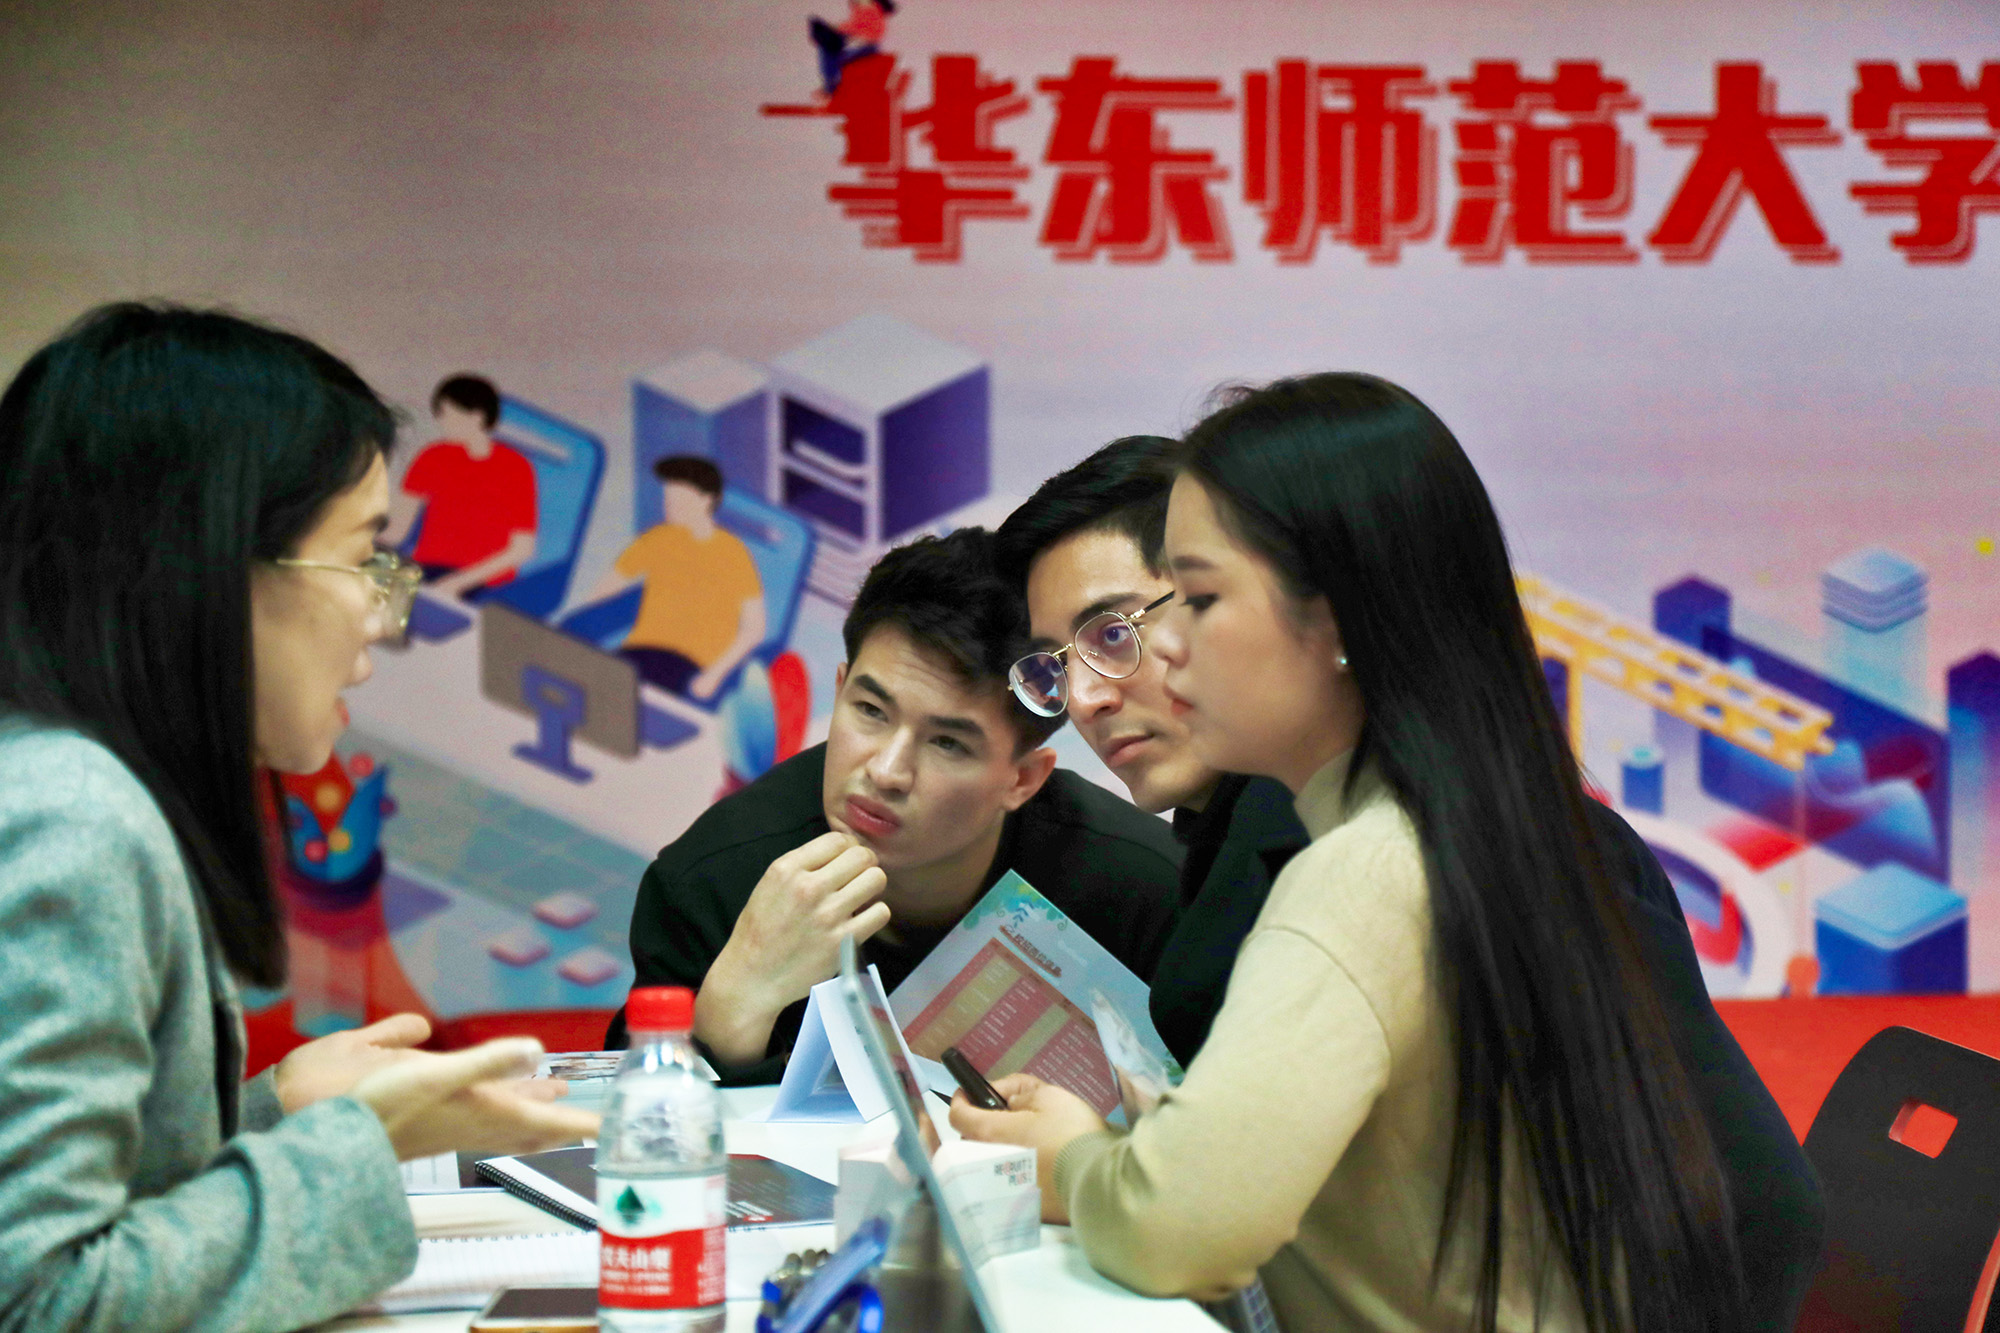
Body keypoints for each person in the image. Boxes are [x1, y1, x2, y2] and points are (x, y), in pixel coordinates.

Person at [955, 374, 1825, 1332]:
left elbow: (1178, 1226)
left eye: (1195, 600)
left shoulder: (1360, 872)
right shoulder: (1456, 821)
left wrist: (1073, 1163)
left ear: (1334, 617)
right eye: (1060, 661)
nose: (1158, 655)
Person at [0, 304, 600, 1332]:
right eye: (364, 558)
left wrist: (277, 1107)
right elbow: (41, 1299)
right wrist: (352, 1145)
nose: (381, 614)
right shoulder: (73, 817)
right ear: (211, 567)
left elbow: (112, 1190)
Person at [610, 527, 1183, 1083]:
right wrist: (732, 1005)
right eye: (870, 712)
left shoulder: (1146, 893)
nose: (885, 772)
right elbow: (625, 1122)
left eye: (947, 743)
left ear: (1023, 779)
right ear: (840, 690)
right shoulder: (709, 880)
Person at [995, 436, 1308, 1066]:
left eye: (1113, 635)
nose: (1084, 699)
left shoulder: (1315, 832)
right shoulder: (1219, 841)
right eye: (1056, 664)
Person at [584, 455, 765, 702]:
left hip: (691, 662)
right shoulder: (658, 538)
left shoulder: (732, 553)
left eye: (680, 500)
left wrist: (714, 675)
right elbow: (605, 589)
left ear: (706, 500)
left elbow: (755, 628)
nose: (670, 506)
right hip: (639, 651)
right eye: (668, 498)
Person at [382, 372, 538, 600]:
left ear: (476, 417)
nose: (442, 423)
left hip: (487, 582)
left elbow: (521, 549)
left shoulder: (516, 468)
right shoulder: (431, 457)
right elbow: (397, 531)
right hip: (427, 570)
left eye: (448, 415)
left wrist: (457, 583)